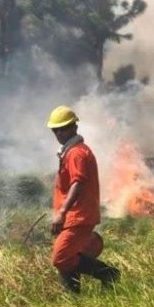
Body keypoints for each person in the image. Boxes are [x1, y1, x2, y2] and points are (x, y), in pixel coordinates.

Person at [47, 105, 119, 293]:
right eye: (56, 130)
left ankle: (108, 274)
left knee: (60, 257)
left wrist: (62, 212)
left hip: (78, 215)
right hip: (73, 216)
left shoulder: (76, 153)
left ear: (74, 127)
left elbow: (77, 183)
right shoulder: (70, 152)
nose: (60, 133)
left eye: (64, 128)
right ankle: (73, 298)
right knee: (71, 255)